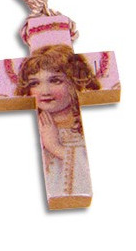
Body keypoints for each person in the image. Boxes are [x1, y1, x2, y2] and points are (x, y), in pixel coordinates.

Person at [17, 44, 100, 204]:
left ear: (75, 83)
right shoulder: (27, 124)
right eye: (34, 83)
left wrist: (56, 148)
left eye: (55, 80)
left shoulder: (88, 124)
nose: (44, 91)